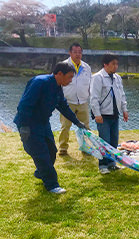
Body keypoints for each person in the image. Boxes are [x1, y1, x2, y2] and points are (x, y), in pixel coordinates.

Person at [14, 62, 87, 194]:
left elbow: (63, 107)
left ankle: (41, 172)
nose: (71, 81)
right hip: (29, 122)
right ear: (59, 74)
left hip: (43, 122)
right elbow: (24, 105)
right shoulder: (40, 82)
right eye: (69, 77)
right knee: (41, 153)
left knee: (51, 151)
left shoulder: (58, 87)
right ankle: (52, 185)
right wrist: (24, 126)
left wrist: (77, 122)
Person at [90, 54, 129, 175]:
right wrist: (97, 114)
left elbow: (121, 95)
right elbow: (93, 98)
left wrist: (124, 110)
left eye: (117, 64)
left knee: (113, 140)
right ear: (105, 64)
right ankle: (102, 165)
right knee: (104, 141)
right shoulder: (97, 77)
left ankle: (112, 164)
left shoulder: (117, 78)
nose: (115, 66)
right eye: (113, 64)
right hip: (103, 115)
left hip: (114, 114)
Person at [58, 42, 92, 155]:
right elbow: (57, 83)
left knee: (85, 127)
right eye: (75, 52)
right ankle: (63, 148)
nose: (78, 54)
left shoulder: (86, 67)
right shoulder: (63, 65)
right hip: (67, 102)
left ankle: (86, 147)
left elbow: (90, 84)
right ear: (70, 53)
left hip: (83, 102)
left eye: (80, 52)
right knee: (65, 127)